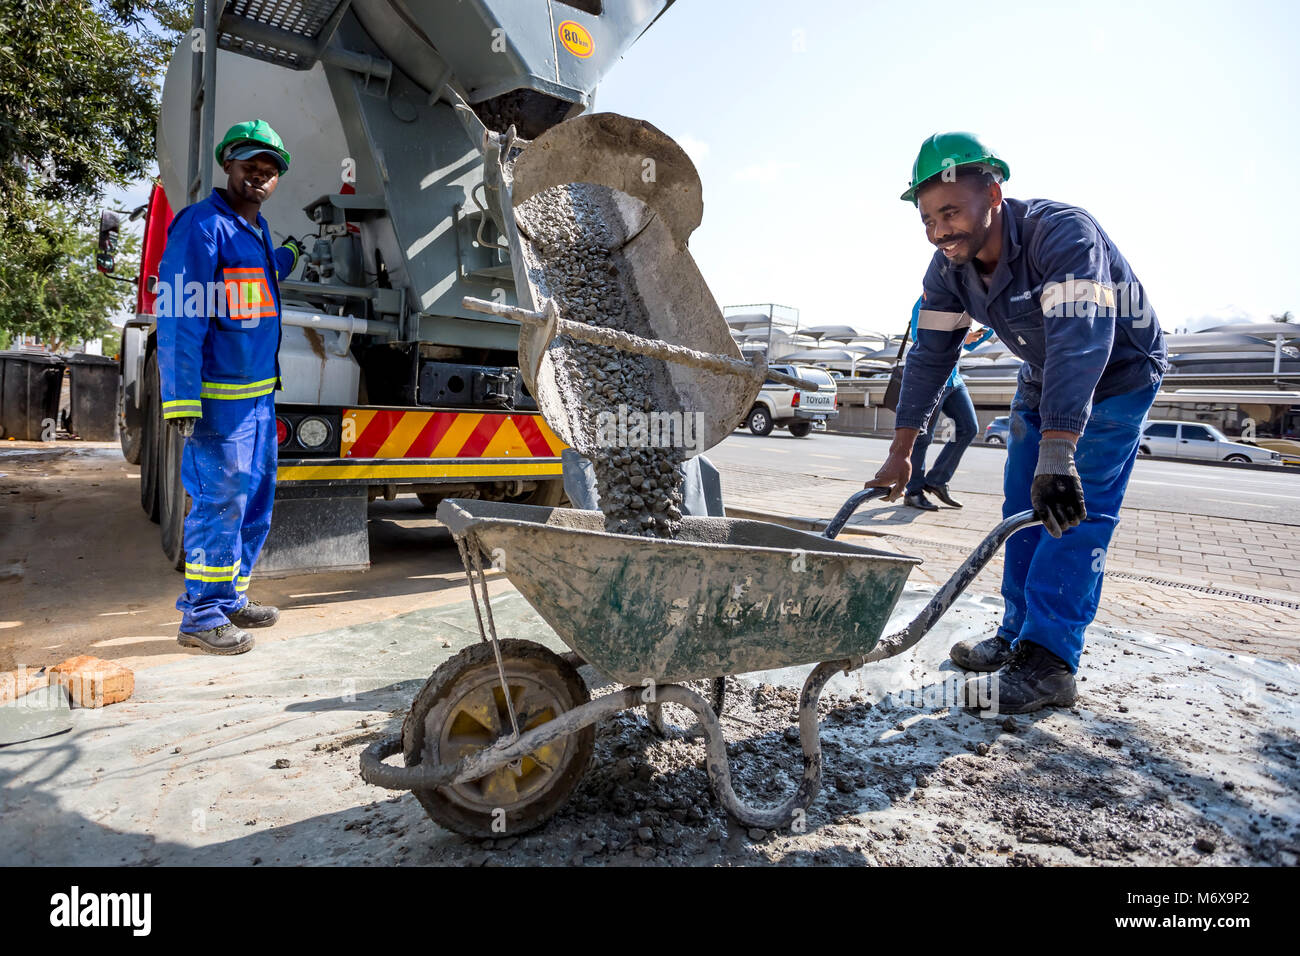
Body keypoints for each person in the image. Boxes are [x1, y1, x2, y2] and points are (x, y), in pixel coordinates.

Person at [868, 132, 1167, 713]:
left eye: (950, 211)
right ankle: (1017, 636)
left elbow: (1083, 341)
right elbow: (930, 357)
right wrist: (902, 451)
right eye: (927, 219)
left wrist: (1060, 455)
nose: (939, 231)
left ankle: (1050, 664)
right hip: (1041, 374)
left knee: (1069, 512)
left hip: (1116, 375)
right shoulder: (948, 270)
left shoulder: (1062, 234)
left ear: (994, 193)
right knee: (1022, 507)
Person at [156, 119, 302, 655]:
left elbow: (253, 286)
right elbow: (178, 315)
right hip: (220, 402)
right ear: (229, 166)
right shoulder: (202, 226)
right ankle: (200, 616)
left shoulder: (254, 232)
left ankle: (232, 597)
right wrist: (179, 396)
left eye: (269, 169)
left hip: (258, 397)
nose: (260, 176)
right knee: (220, 502)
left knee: (254, 501)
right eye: (250, 166)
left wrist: (286, 255)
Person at [900, 295, 993, 511]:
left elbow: (968, 345)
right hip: (932, 378)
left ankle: (937, 480)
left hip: (954, 380)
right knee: (923, 437)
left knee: (969, 428)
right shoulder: (927, 300)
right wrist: (962, 338)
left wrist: (987, 328)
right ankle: (913, 492)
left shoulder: (966, 303)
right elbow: (919, 337)